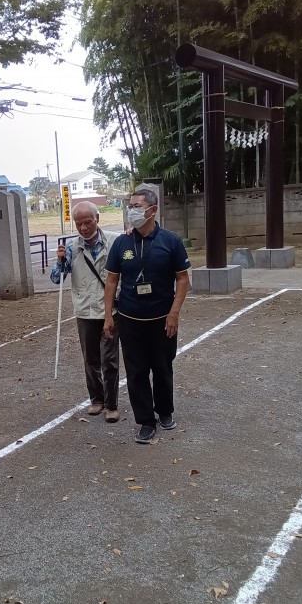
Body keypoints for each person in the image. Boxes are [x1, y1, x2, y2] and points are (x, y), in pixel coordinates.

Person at [103, 189, 190, 444]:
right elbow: (111, 281)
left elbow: (182, 279)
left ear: (153, 210)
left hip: (162, 320)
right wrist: (108, 316)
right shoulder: (122, 243)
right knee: (136, 371)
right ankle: (146, 421)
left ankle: (164, 411)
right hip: (130, 319)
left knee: (163, 367)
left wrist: (174, 313)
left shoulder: (171, 241)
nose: (132, 210)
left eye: (137, 206)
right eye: (130, 206)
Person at [51, 201, 120, 423]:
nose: (83, 228)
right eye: (79, 223)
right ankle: (96, 399)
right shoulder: (71, 247)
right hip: (84, 311)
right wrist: (59, 261)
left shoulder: (114, 241)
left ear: (97, 218)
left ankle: (111, 404)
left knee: (109, 360)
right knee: (90, 359)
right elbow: (56, 278)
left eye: (88, 222)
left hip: (109, 310)